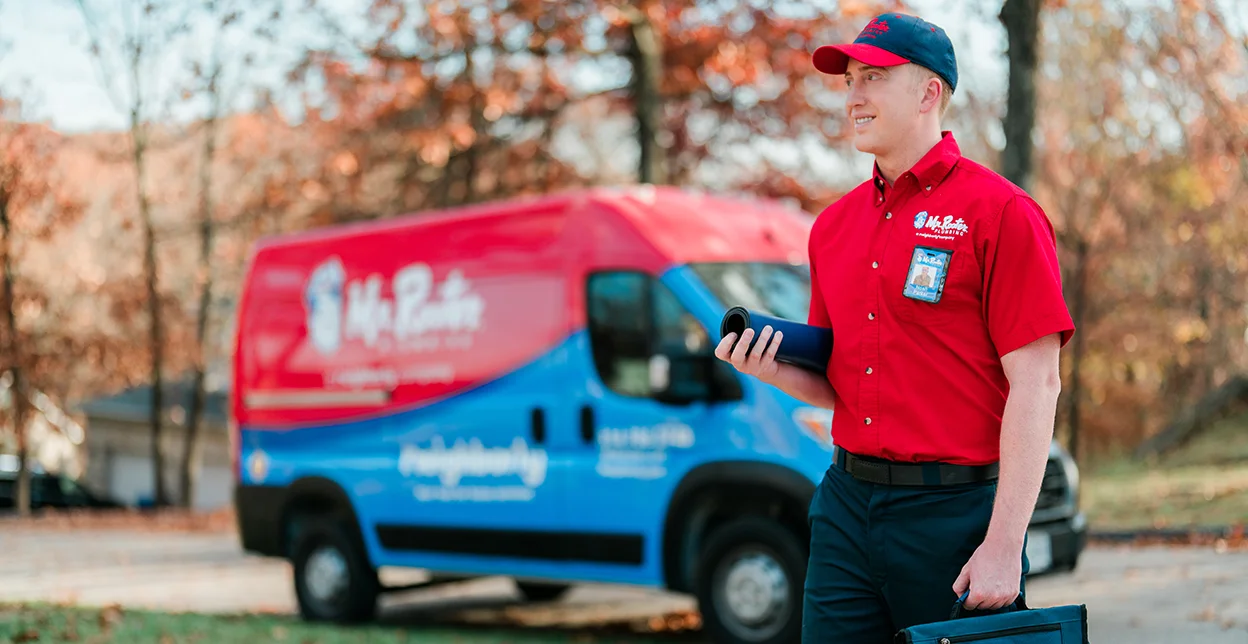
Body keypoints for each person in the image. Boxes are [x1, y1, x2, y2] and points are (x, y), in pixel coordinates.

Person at [714, 11, 1075, 644]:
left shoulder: (1003, 215)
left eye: (874, 77)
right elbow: (840, 384)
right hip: (846, 508)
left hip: (955, 516)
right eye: (850, 79)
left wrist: (1003, 543)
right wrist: (770, 369)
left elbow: (1039, 383)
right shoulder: (831, 229)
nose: (854, 95)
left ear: (929, 91)